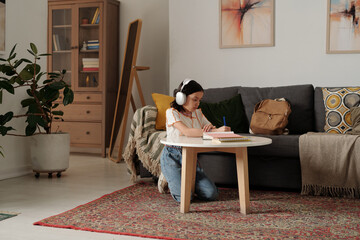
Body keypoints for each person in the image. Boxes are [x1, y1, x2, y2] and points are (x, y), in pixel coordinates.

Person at [159, 78, 231, 202]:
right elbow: (187, 132)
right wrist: (215, 131)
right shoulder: (171, 112)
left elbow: (210, 128)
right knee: (185, 198)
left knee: (211, 194)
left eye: (199, 100)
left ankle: (183, 182)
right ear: (182, 97)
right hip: (172, 155)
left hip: (191, 157)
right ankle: (167, 177)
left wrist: (214, 128)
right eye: (195, 99)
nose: (197, 103)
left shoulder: (198, 113)